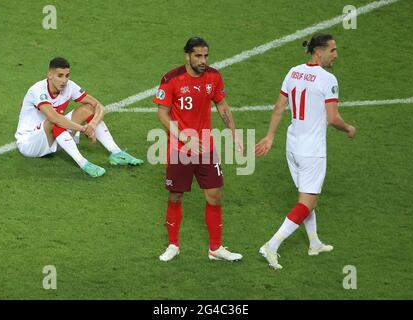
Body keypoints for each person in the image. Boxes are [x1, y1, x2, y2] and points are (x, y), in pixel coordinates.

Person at [255, 34, 356, 269]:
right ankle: (272, 245)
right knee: (307, 202)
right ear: (319, 52)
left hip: (293, 146)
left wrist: (270, 136)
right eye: (333, 50)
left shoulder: (293, 72)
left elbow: (279, 107)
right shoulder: (327, 79)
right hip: (312, 151)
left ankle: (314, 243)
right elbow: (332, 118)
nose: (336, 55)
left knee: (308, 197)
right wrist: (349, 128)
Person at [153, 37, 243, 262]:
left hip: (206, 147)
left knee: (215, 195)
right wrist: (183, 137)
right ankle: (173, 245)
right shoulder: (171, 78)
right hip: (180, 148)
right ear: (187, 56)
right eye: (198, 56)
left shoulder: (213, 76)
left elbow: (222, 105)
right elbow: (162, 113)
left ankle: (215, 248)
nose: (203, 61)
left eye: (206, 56)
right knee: (176, 196)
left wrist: (234, 131)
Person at [15, 57, 143, 177]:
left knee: (88, 108)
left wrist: (92, 125)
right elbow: (55, 119)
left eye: (67, 75)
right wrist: (83, 129)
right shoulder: (37, 90)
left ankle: (117, 153)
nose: (64, 80)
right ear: (49, 75)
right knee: (55, 120)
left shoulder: (69, 86)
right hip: (30, 143)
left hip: (55, 137)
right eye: (60, 76)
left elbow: (99, 106)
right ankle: (83, 163)